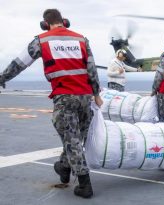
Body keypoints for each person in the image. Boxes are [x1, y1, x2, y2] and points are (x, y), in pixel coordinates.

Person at [0, 9, 103, 198]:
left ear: (45, 24)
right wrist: (96, 94)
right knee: (76, 137)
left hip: (65, 98)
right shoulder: (81, 40)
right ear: (63, 21)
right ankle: (63, 167)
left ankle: (85, 184)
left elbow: (19, 63)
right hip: (85, 97)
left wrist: (2, 78)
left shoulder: (42, 40)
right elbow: (92, 69)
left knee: (71, 138)